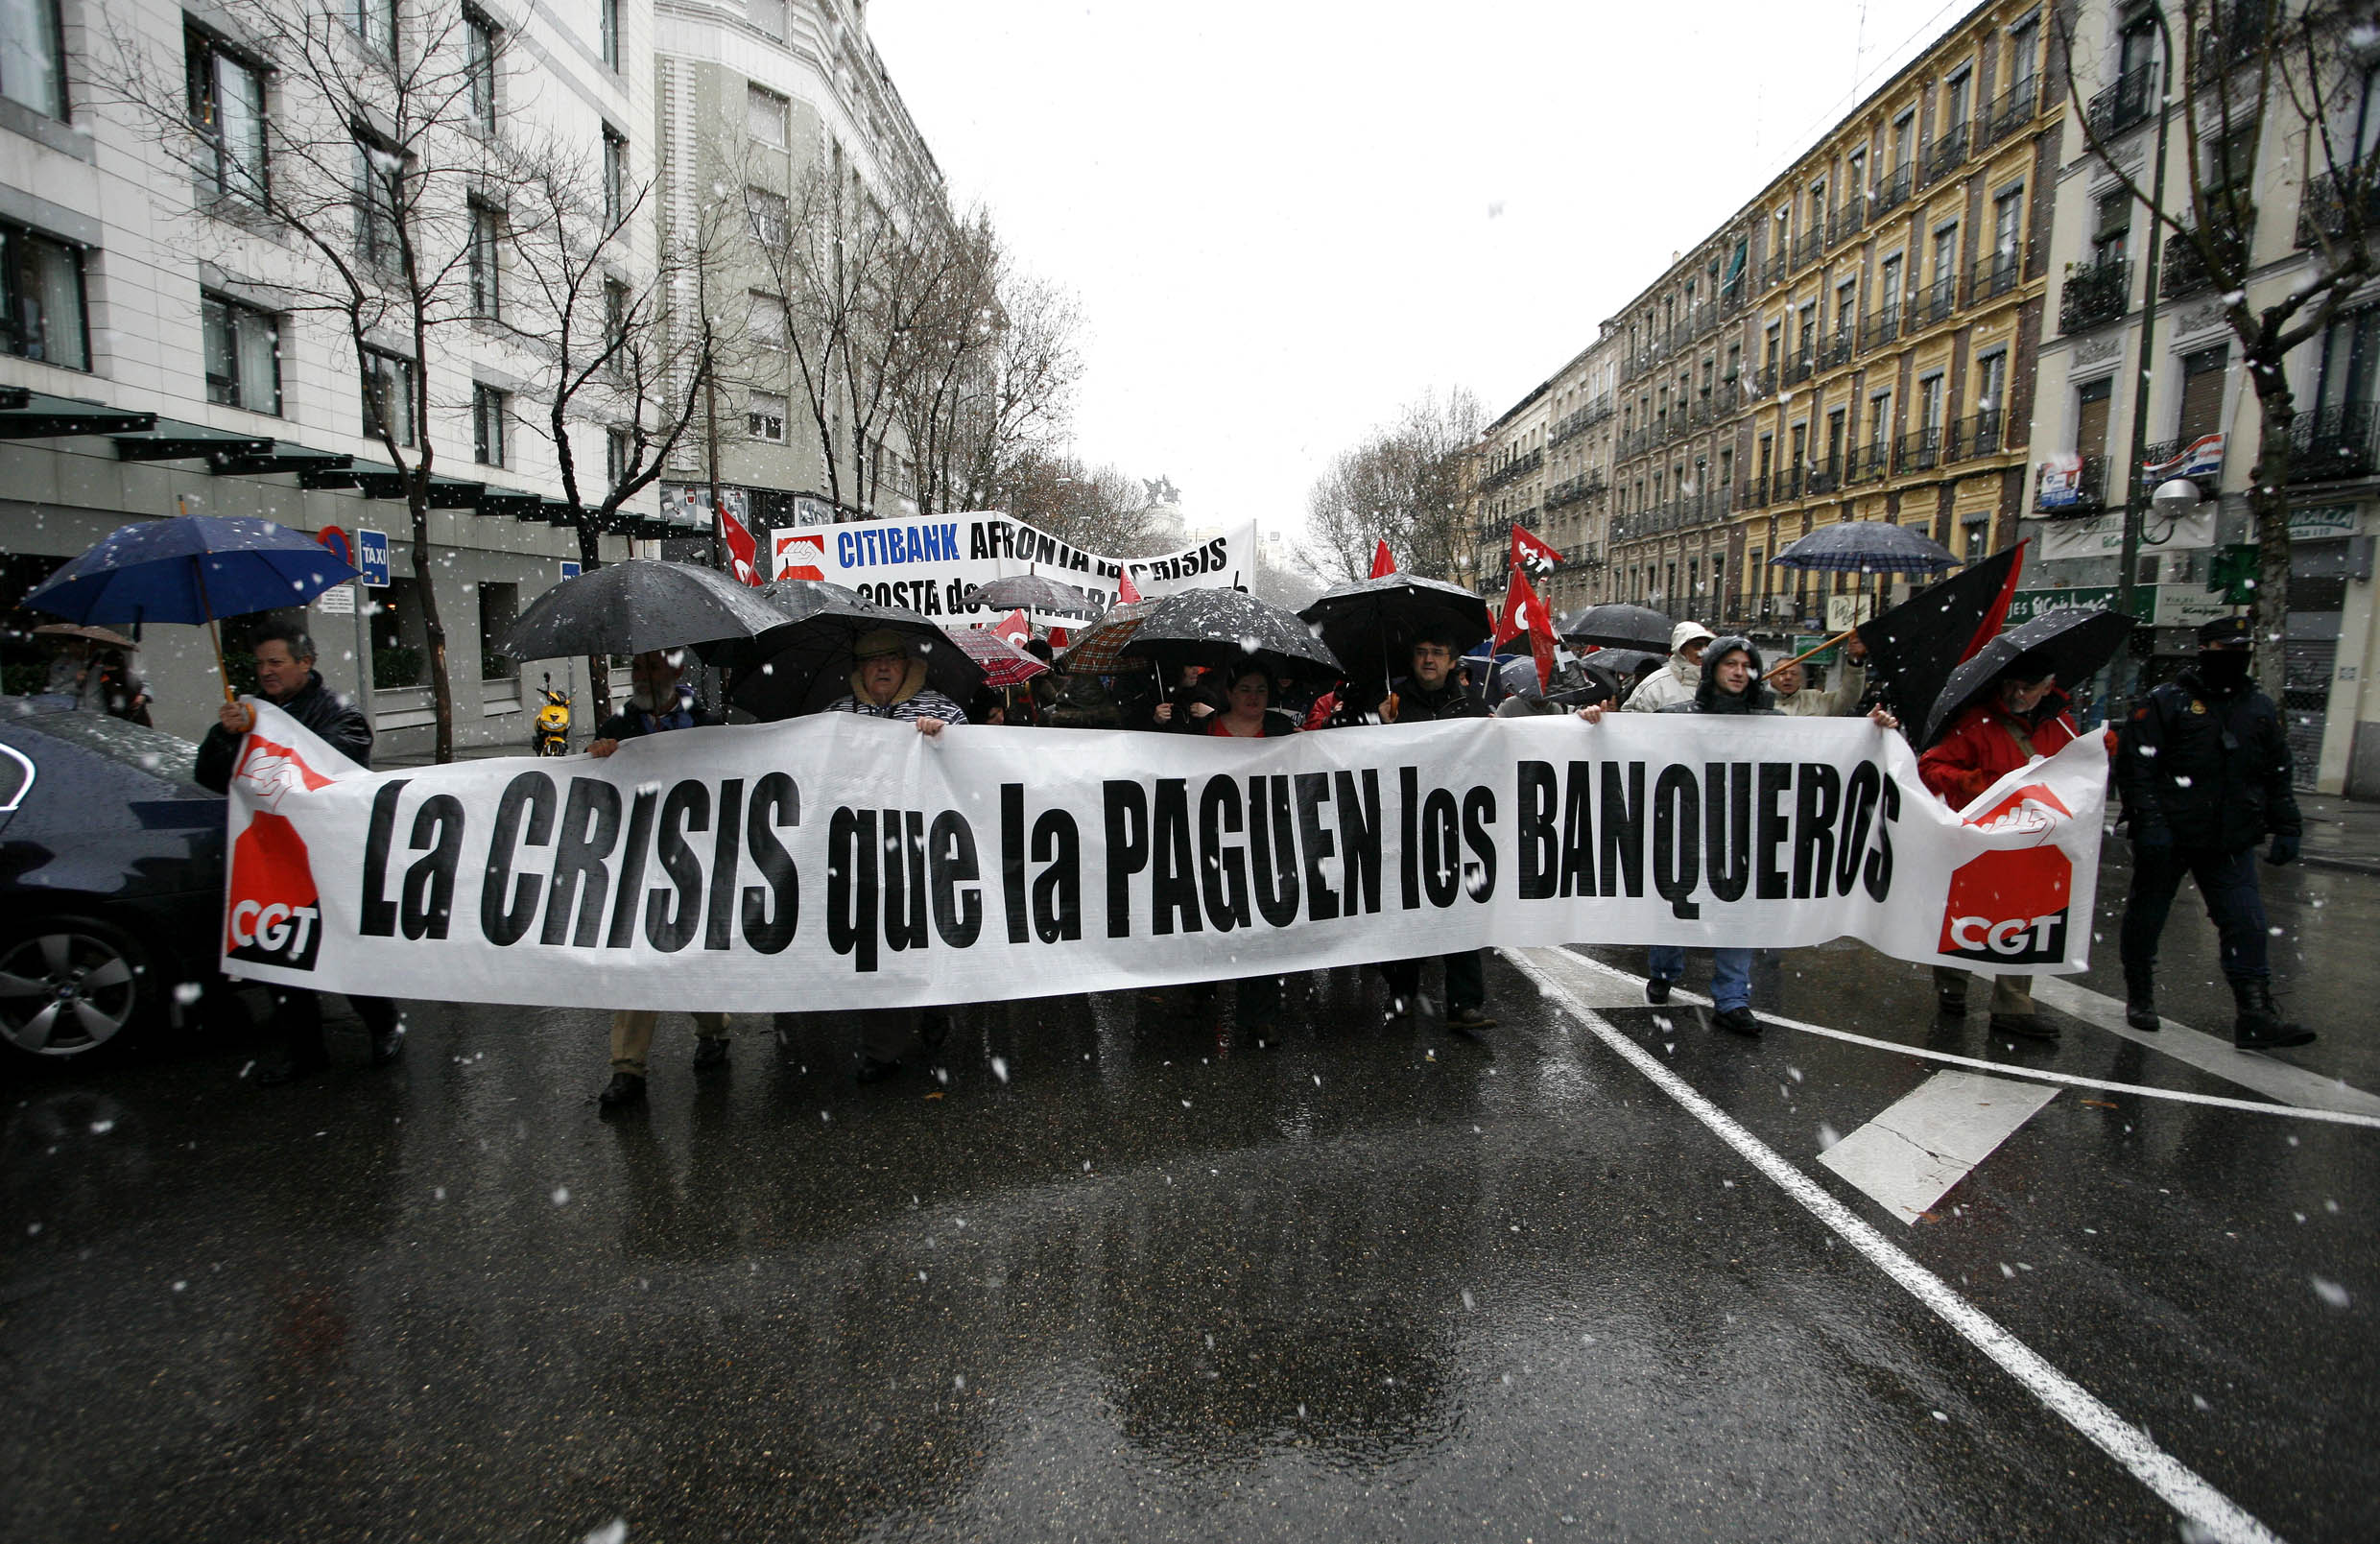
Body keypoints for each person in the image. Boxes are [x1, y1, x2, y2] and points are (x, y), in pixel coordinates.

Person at [1578, 637, 1896, 1038]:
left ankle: (1732, 1000)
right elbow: (1630, 745)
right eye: (1729, 663)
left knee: (1739, 913)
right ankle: (1663, 971)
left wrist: (1874, 733)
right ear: (1712, 669)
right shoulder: (1675, 717)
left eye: (1746, 664)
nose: (1737, 671)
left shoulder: (1770, 721)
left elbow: (1822, 747)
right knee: (1677, 904)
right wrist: (1596, 722)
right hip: (1686, 830)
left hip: (1744, 834)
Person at [196, 620, 404, 1084]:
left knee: (343, 949)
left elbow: (326, 769)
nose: (266, 672)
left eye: (276, 662)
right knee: (279, 953)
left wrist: (266, 738)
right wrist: (228, 737)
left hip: (328, 854)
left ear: (304, 663)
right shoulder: (248, 714)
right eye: (260, 664)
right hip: (271, 856)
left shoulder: (338, 713)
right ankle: (305, 1052)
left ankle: (384, 1024)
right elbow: (209, 775)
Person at [2114, 616, 2312, 1049]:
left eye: (2243, 648)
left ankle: (2254, 1013)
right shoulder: (2166, 701)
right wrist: (2150, 824)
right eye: (2227, 649)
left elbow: (2276, 769)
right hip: (2170, 834)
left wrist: (2287, 823)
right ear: (2205, 651)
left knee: (2247, 923)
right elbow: (2136, 769)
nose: (2237, 657)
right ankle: (2140, 995)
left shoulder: (2257, 706)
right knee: (2148, 915)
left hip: (2230, 837)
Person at [590, 648, 731, 1109]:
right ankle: (627, 1067)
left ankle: (714, 1030)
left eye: (652, 666)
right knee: (637, 958)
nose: (642, 677)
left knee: (691, 954)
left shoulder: (708, 725)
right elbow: (592, 783)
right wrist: (600, 755)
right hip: (639, 860)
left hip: (696, 859)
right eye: (635, 668)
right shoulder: (618, 728)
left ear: (676, 671)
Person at [825, 630, 969, 1082]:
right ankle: (882, 1050)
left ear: (907, 665)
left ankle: (932, 1007)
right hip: (865, 852)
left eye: (891, 658)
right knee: (877, 947)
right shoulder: (833, 717)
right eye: (872, 661)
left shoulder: (942, 709)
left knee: (924, 937)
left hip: (925, 849)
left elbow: (974, 766)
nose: (882, 668)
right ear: (859, 670)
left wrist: (944, 740)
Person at [1916, 653, 2076, 1043]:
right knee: (1964, 914)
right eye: (2011, 686)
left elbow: (2076, 775)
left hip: (2033, 842)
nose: (2016, 694)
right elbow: (1930, 767)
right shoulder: (1975, 723)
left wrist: (2099, 753)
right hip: (1980, 839)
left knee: (2026, 919)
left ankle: (2013, 1006)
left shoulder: (2064, 727)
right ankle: (1952, 985)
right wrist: (1966, 782)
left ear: (2048, 687)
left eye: (2027, 688)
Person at [1376, 633, 1497, 1040]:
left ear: (1451, 661)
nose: (1428, 660)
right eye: (1421, 651)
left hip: (1457, 823)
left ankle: (1465, 1003)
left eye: (1437, 653)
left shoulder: (1469, 703)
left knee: (1460, 908)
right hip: (1406, 820)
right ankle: (1402, 991)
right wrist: (1380, 727)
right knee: (1407, 906)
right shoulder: (1392, 701)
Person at [1623, 621, 1716, 712]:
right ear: (1681, 649)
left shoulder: (1719, 682)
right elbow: (1631, 721)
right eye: (1697, 646)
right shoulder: (1655, 686)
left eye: (1708, 646)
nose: (1704, 651)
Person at [1771, 633, 1870, 717]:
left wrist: (1855, 662)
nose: (1788, 677)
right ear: (1771, 677)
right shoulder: (1758, 701)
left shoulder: (1815, 700)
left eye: (1794, 673)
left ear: (1801, 678)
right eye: (1782, 673)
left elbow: (1848, 697)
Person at [1204, 664, 1300, 737]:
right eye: (1245, 690)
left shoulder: (1283, 728)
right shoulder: (1207, 727)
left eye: (1261, 690)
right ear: (1229, 694)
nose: (1253, 696)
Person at [1149, 663, 1224, 731]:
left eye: (1197, 664)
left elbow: (1224, 715)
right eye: (1190, 666)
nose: (1197, 670)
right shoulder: (1156, 696)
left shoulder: (1205, 695)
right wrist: (1156, 721)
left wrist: (1210, 711)